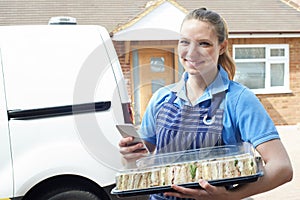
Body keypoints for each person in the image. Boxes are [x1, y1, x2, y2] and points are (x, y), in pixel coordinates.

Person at [119, 8, 293, 200]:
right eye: (184, 42)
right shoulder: (162, 98)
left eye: (204, 43)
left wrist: (230, 196)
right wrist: (131, 156)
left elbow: (282, 167)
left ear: (222, 47)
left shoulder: (238, 100)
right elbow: (141, 163)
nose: (192, 52)